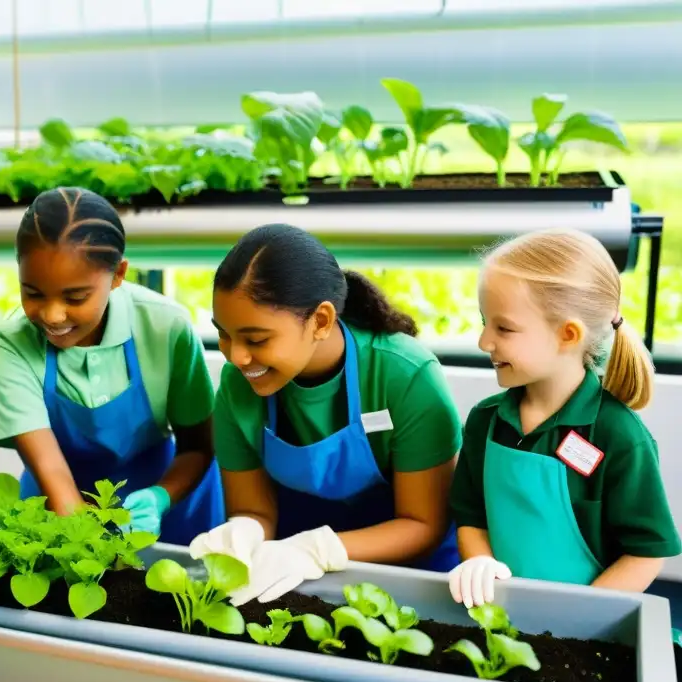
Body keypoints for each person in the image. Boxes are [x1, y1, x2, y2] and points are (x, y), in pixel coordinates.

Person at [190, 223, 463, 605]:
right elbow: (254, 509)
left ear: (320, 320)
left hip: (414, 578)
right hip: (299, 582)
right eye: (224, 334)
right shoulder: (239, 389)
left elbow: (423, 525)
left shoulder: (404, 375)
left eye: (256, 339)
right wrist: (246, 530)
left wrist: (317, 550)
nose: (235, 357)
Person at [447, 228, 681, 609]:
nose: (484, 341)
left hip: (586, 629)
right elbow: (470, 517)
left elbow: (646, 551)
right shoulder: (485, 420)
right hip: (497, 612)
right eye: (484, 321)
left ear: (568, 335)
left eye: (503, 328)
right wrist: (480, 563)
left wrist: (581, 616)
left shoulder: (619, 435)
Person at [0, 187, 223, 543]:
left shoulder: (165, 327)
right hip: (59, 499)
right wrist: (92, 546)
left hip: (169, 497)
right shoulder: (12, 340)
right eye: (33, 293)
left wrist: (160, 498)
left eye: (75, 297)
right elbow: (49, 467)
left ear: (118, 275)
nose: (52, 315)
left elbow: (198, 445)